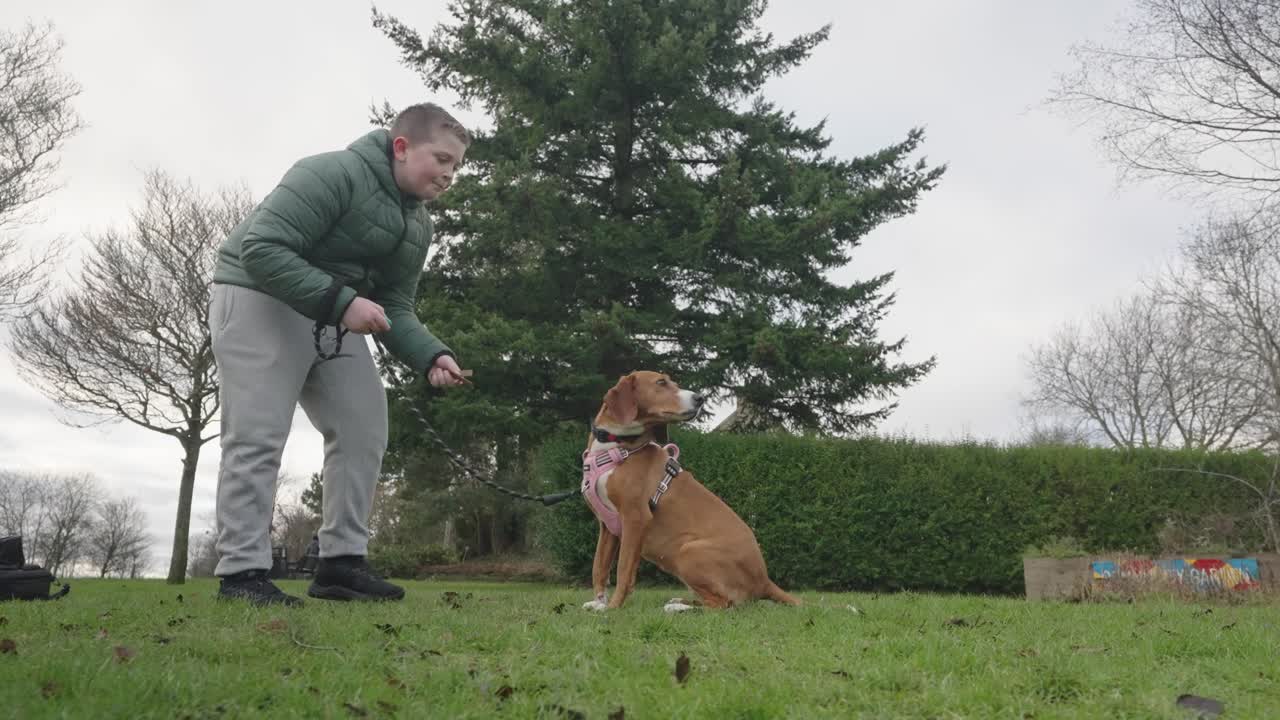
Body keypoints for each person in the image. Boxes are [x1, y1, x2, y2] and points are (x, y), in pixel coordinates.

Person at [207, 103, 470, 606]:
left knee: (364, 428)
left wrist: (431, 356)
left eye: (456, 166)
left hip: (334, 313)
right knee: (257, 436)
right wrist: (343, 302)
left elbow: (395, 306)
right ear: (401, 146)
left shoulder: (418, 227)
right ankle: (242, 574)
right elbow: (262, 248)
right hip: (259, 296)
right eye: (441, 159)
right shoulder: (330, 172)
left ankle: (340, 565)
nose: (449, 174)